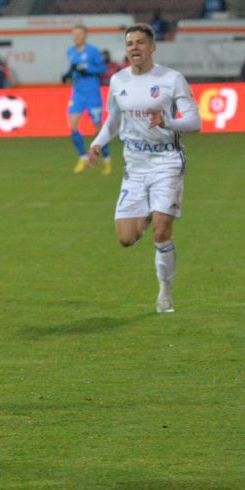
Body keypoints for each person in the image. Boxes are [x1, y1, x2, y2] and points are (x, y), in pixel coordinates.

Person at [88, 23, 201, 314]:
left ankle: (165, 292)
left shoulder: (171, 79)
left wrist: (168, 123)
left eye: (140, 42)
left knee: (161, 234)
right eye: (129, 43)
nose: (134, 48)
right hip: (135, 166)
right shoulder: (118, 81)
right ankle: (152, 211)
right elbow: (114, 118)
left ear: (152, 47)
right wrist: (98, 143)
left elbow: (195, 122)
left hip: (166, 162)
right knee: (126, 239)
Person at [62, 23, 110, 174]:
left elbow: (103, 69)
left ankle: (106, 159)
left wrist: (87, 69)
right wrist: (68, 74)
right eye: (74, 34)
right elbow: (73, 68)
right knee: (73, 125)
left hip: (92, 94)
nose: (76, 37)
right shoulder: (70, 52)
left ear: (85, 35)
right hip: (77, 94)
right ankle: (82, 156)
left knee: (98, 130)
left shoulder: (93, 51)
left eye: (79, 34)